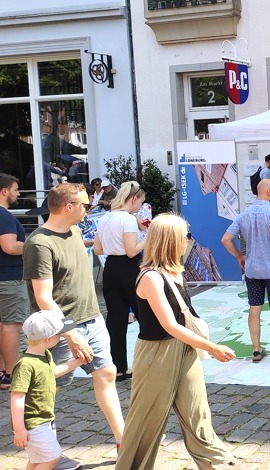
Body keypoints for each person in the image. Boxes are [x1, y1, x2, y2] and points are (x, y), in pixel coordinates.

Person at [117, 214, 237, 469]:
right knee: (145, 422)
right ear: (171, 241)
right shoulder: (150, 277)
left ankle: (215, 463)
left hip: (184, 349)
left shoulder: (175, 273)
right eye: (185, 237)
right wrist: (212, 348)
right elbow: (169, 325)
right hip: (156, 355)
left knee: (198, 414)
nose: (188, 242)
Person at [24, 183, 125, 465]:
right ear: (68, 207)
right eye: (85, 205)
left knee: (106, 373)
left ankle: (123, 440)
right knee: (48, 387)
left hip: (92, 318)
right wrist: (70, 333)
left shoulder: (76, 231)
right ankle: (45, 454)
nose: (89, 209)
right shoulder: (39, 243)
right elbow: (43, 297)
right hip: (59, 329)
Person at [221, 179, 270, 364]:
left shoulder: (244, 214)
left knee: (254, 309)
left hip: (252, 269)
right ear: (269, 192)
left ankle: (256, 350)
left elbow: (226, 239)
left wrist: (240, 256)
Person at [10, 311, 82, 470]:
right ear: (48, 339)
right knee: (53, 458)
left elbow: (53, 372)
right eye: (59, 334)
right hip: (33, 423)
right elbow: (17, 398)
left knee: (37, 460)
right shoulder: (25, 364)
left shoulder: (44, 355)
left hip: (44, 419)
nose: (62, 337)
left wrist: (77, 362)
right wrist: (19, 429)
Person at [92, 181, 147, 381]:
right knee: (144, 314)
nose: (141, 206)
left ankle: (119, 368)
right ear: (133, 199)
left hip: (111, 269)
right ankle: (152, 362)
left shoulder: (106, 217)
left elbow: (97, 250)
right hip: (129, 268)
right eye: (140, 201)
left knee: (115, 320)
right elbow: (132, 251)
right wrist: (151, 237)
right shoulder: (128, 219)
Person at [0, 174, 27, 391]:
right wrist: (32, 245)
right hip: (8, 278)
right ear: (4, 191)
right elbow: (9, 246)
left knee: (2, 326)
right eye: (16, 189)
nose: (18, 194)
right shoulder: (5, 216)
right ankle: (10, 375)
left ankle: (2, 373)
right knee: (11, 326)